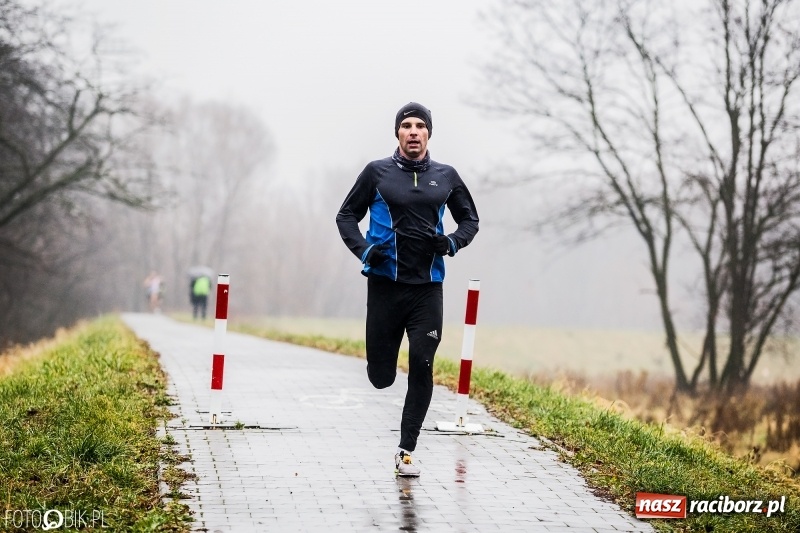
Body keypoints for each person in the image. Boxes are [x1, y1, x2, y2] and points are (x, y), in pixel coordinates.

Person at [336, 102, 479, 477]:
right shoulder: (376, 173)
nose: (413, 132)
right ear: (397, 133)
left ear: (429, 134)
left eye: (420, 126)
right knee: (381, 377)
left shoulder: (446, 176)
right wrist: (365, 250)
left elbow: (470, 220)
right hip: (385, 286)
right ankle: (382, 366)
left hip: (427, 288)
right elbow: (346, 215)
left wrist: (451, 242)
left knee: (423, 363)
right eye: (406, 126)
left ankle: (406, 450)